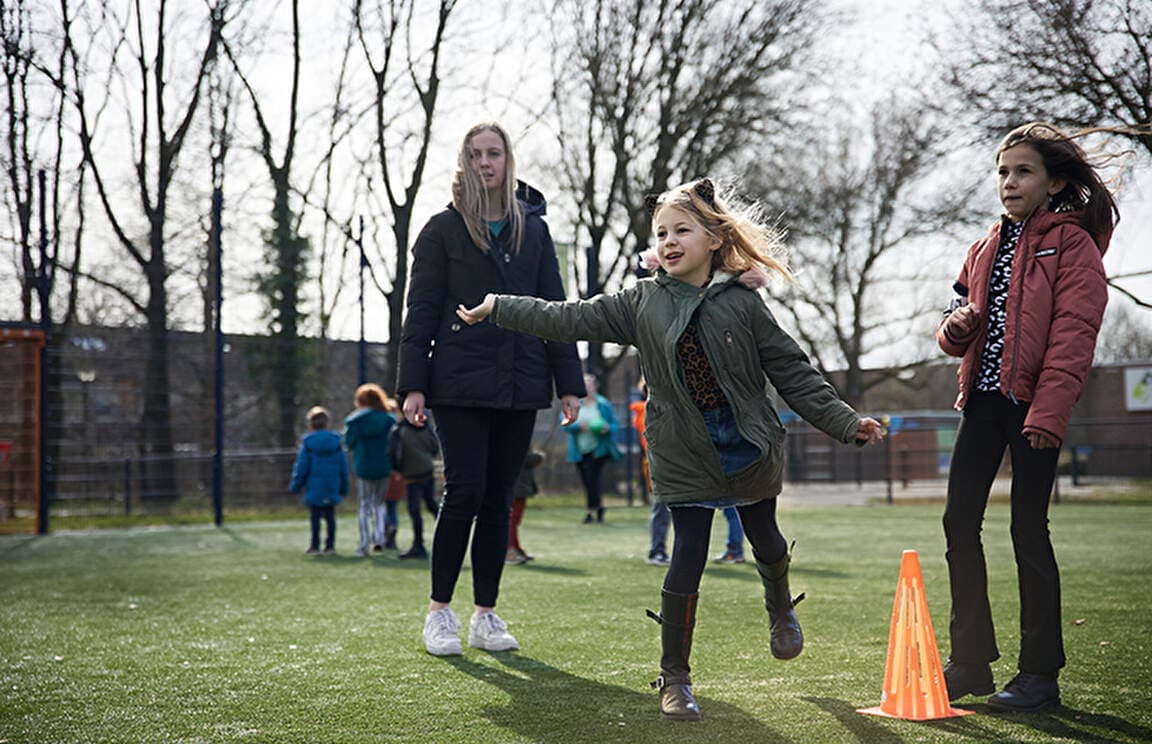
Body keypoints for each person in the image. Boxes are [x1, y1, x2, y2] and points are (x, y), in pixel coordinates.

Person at [457, 177, 884, 720]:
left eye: (682, 230)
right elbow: (567, 318)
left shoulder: (745, 304)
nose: (670, 241)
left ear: (713, 238)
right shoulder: (640, 302)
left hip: (748, 443)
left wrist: (846, 422)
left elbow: (794, 373)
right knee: (688, 555)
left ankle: (780, 606)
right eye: (661, 233)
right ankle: (675, 677)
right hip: (681, 449)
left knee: (767, 539)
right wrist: (499, 305)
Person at [936, 122, 1114, 713]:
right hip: (983, 403)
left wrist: (1049, 412)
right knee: (959, 523)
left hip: (1035, 407)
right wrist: (955, 327)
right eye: (1002, 172)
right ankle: (969, 663)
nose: (1009, 182)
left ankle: (1040, 674)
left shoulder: (1073, 244)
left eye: (1023, 171)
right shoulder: (985, 246)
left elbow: (1074, 335)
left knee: (1027, 532)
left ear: (1055, 181)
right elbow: (959, 313)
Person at [397, 122, 586, 657]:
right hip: (457, 384)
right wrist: (412, 385)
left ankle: (486, 614)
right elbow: (421, 313)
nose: (486, 163)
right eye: (476, 153)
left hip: (521, 382)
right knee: (464, 494)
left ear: (508, 160)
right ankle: (439, 614)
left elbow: (555, 309)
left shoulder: (534, 230)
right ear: (465, 161)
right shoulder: (441, 231)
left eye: (495, 153)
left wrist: (568, 383)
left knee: (501, 500)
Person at [343, 384, 398, 557]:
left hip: (364, 465)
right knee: (379, 503)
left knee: (364, 504)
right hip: (384, 465)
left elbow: (349, 443)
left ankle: (364, 544)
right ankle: (380, 538)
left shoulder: (355, 421)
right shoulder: (389, 419)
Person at [289, 406, 349, 555]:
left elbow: (302, 466)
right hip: (331, 484)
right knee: (330, 516)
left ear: (310, 424)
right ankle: (330, 545)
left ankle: (314, 545)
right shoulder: (336, 443)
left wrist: (296, 484)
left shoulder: (308, 444)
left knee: (315, 517)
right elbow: (343, 466)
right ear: (327, 423)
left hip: (314, 485)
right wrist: (344, 486)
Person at [563, 373, 622, 523]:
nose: (588, 388)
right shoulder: (575, 404)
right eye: (584, 385)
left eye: (590, 385)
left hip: (598, 449)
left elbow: (615, 425)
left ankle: (590, 512)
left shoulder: (603, 404)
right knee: (586, 480)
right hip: (579, 450)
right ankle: (598, 507)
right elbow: (565, 423)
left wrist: (607, 428)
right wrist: (578, 426)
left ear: (595, 386)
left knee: (592, 478)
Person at [388, 414, 442, 560]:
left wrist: (399, 469)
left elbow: (393, 453)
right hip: (427, 470)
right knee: (432, 505)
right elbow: (434, 447)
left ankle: (418, 545)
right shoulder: (426, 427)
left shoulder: (400, 430)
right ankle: (447, 537)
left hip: (411, 475)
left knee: (414, 510)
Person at [631, 377, 671, 566]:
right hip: (660, 464)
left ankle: (661, 550)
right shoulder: (646, 412)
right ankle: (657, 550)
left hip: (668, 463)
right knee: (661, 509)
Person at [507, 449, 544, 565]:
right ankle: (510, 550)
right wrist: (537, 457)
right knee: (511, 519)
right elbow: (520, 457)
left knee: (515, 519)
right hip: (515, 485)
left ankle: (515, 548)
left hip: (521, 486)